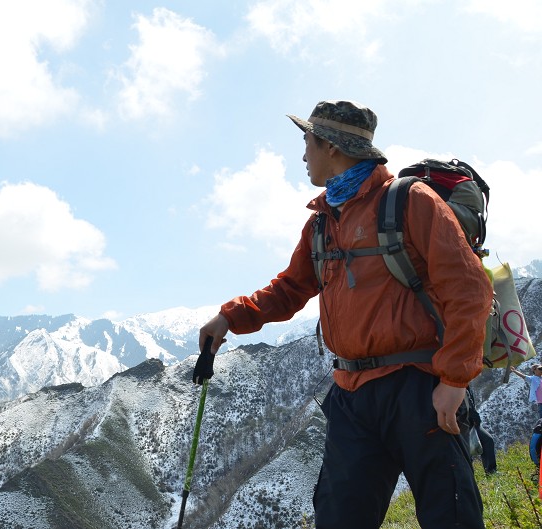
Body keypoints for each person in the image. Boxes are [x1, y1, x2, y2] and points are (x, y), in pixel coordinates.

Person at [197, 100, 493, 529]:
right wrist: (229, 318)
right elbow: (291, 288)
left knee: (450, 517)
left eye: (307, 142)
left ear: (331, 147)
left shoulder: (411, 201)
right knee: (339, 518)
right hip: (351, 396)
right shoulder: (322, 222)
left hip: (420, 387)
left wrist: (454, 379)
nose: (303, 155)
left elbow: (468, 288)